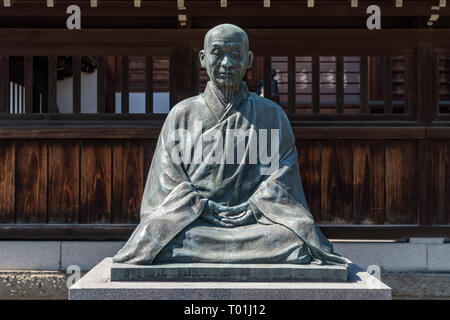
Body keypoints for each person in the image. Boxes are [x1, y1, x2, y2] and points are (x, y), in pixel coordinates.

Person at [113, 24, 348, 266]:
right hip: (194, 221)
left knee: (295, 239)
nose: (226, 63)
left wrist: (252, 207)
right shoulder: (181, 115)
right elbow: (167, 185)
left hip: (255, 221)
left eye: (235, 55)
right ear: (203, 59)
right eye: (217, 54)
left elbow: (282, 182)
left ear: (248, 60)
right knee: (154, 236)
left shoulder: (272, 115)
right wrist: (203, 207)